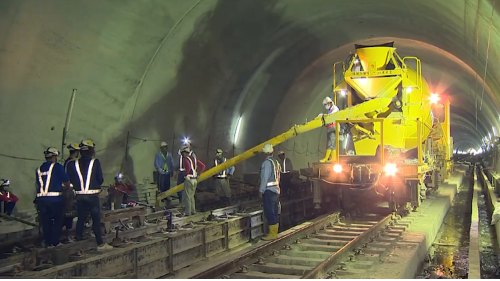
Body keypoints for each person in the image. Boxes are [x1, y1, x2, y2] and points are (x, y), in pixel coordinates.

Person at [66, 140, 112, 250]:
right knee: (96, 218)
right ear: (91, 151)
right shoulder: (95, 162)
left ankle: (78, 238)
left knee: (81, 217)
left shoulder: (73, 163)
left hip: (79, 196)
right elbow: (100, 179)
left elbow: (69, 179)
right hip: (92, 196)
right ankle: (100, 243)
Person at [35, 147, 71, 248]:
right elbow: (66, 181)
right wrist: (67, 187)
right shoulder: (57, 167)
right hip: (55, 200)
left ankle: (47, 243)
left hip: (41, 200)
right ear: (54, 156)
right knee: (58, 220)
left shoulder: (38, 169)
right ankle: (54, 242)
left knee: (46, 221)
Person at [259, 143, 281, 241]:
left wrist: (261, 190)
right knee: (275, 211)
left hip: (269, 191)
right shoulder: (276, 162)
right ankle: (275, 232)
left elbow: (265, 177)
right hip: (276, 190)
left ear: (264, 153)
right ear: (273, 151)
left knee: (269, 211)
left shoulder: (266, 163)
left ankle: (272, 233)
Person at [180, 146, 205, 216]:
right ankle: (193, 211)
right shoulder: (194, 159)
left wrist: (185, 174)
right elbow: (203, 166)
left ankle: (188, 212)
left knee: (187, 197)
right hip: (195, 180)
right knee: (192, 196)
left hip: (189, 179)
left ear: (184, 153)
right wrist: (198, 174)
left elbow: (187, 167)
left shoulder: (186, 159)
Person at [62, 142, 79, 242]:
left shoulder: (69, 162)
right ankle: (68, 235)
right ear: (76, 152)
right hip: (69, 191)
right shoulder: (70, 163)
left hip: (70, 190)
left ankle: (67, 234)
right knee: (69, 213)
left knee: (70, 213)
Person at [320, 97, 340, 162]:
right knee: (332, 144)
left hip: (334, 128)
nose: (326, 106)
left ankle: (326, 157)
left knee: (330, 143)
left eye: (326, 105)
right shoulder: (329, 110)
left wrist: (324, 116)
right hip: (330, 128)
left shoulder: (335, 109)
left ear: (329, 103)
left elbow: (331, 116)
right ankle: (333, 158)